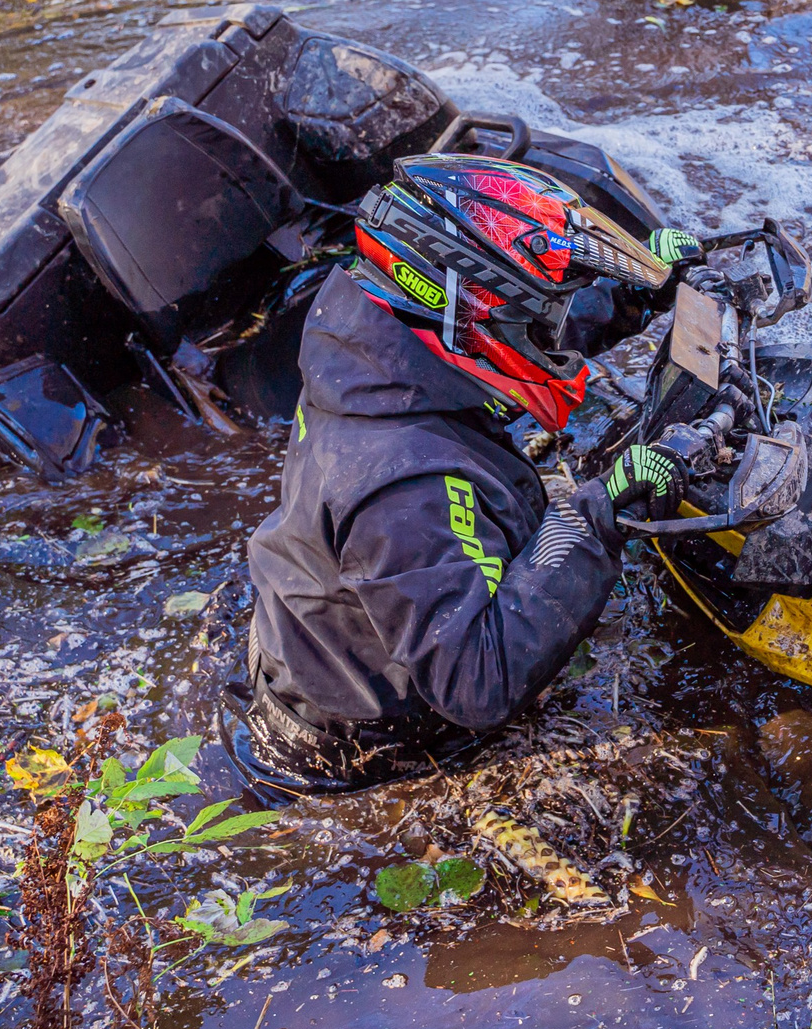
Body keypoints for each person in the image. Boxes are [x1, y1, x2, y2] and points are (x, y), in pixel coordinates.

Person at [226, 152, 705, 792]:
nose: (551, 324)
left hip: (322, 625)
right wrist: (600, 516)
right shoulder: (403, 488)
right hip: (356, 735)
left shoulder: (370, 344)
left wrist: (630, 295)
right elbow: (475, 681)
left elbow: (508, 329)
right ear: (461, 309)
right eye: (538, 310)